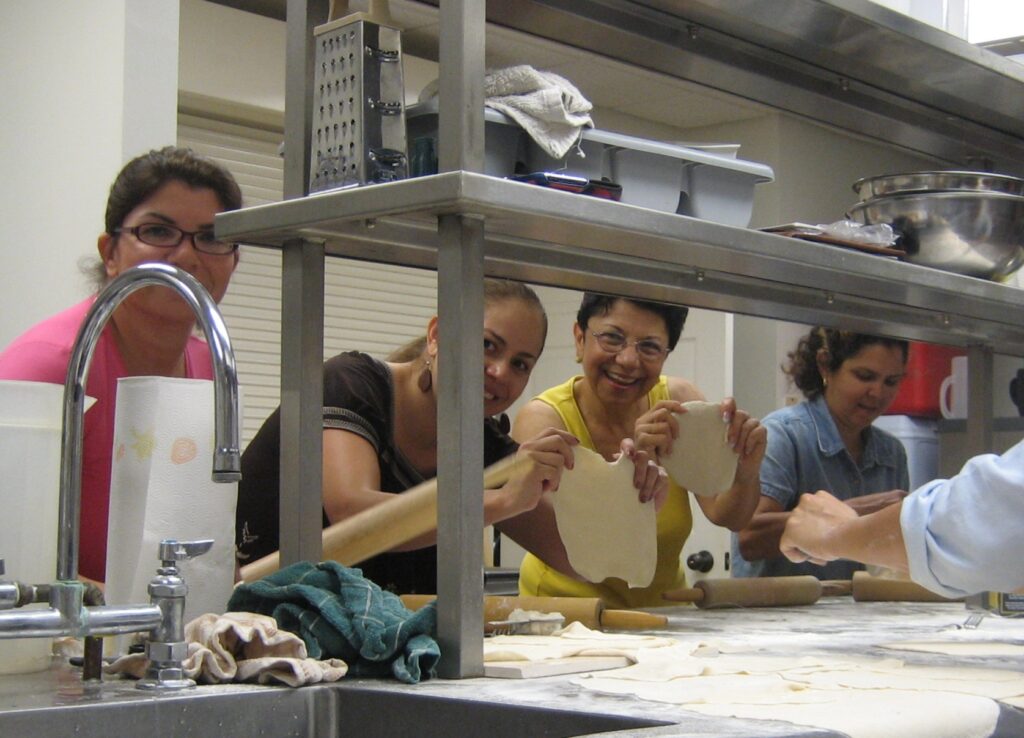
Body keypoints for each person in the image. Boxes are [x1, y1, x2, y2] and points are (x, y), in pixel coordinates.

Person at [235, 280, 667, 594]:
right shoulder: (351, 385)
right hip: (257, 629)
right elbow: (353, 510)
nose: (499, 372)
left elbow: (580, 560)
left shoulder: (485, 448)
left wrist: (633, 504)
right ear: (438, 334)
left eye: (520, 364)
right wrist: (501, 501)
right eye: (486, 345)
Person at [0, 146, 242, 583]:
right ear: (110, 252)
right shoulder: (48, 368)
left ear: (235, 259)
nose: (188, 257)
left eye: (211, 237)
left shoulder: (212, 370)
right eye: (158, 231)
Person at [511, 293, 766, 608]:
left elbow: (728, 516)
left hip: (666, 617)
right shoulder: (544, 420)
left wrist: (744, 472)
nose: (628, 360)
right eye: (612, 338)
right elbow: (580, 553)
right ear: (579, 338)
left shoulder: (679, 404)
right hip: (567, 619)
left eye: (649, 346)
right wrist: (632, 477)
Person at [732, 327, 910, 580]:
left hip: (858, 615)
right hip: (779, 615)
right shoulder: (783, 435)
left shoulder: (892, 454)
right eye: (864, 376)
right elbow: (750, 538)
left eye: (891, 381)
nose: (878, 393)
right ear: (825, 365)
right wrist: (857, 514)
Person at [780, 439, 1024, 598]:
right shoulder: (789, 435)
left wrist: (837, 533)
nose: (876, 392)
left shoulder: (891, 449)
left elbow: (976, 532)